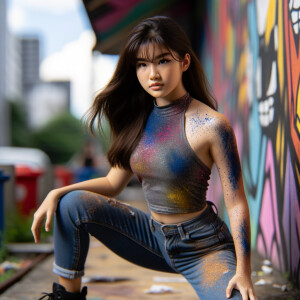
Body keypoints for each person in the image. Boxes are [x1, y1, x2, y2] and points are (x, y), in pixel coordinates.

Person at [32, 16, 257, 300]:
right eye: (142, 64)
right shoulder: (136, 121)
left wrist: (243, 271)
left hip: (203, 250)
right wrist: (57, 192)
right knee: (70, 204)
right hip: (152, 238)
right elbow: (113, 183)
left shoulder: (211, 125)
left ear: (184, 63)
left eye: (163, 61)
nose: (153, 73)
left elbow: (236, 202)